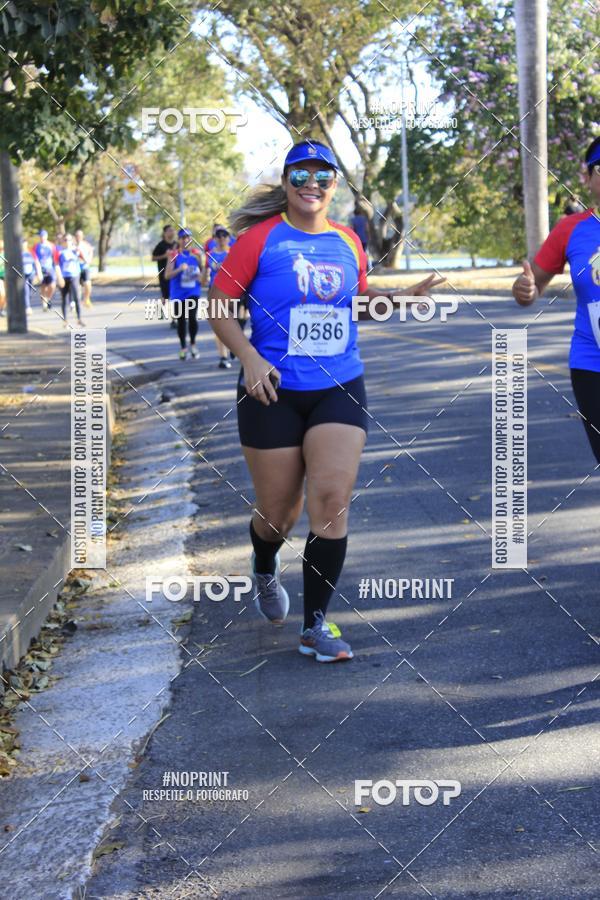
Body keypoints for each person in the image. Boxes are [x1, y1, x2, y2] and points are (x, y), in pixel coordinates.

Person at [207, 139, 444, 662]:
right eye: (300, 175)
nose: (311, 184)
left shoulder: (347, 243)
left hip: (339, 385)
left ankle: (316, 624)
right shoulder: (258, 241)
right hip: (271, 390)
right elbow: (219, 306)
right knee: (277, 515)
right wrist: (246, 356)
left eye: (323, 176)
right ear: (286, 182)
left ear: (336, 184)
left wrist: (401, 300)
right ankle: (264, 566)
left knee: (332, 500)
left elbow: (355, 307)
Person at [512, 135, 600, 464]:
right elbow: (531, 284)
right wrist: (525, 289)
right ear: (587, 178)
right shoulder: (571, 229)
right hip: (592, 364)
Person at [165, 228, 203, 360]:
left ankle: (193, 344)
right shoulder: (174, 255)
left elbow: (202, 273)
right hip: (178, 293)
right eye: (183, 237)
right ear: (179, 240)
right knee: (181, 321)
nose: (186, 240)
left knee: (192, 318)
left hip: (193, 291)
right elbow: (167, 275)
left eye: (188, 237)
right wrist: (179, 269)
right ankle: (183, 347)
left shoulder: (196, 254)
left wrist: (201, 275)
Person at [204, 227, 234, 369]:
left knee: (234, 324)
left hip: (233, 292)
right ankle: (223, 356)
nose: (221, 238)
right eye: (218, 235)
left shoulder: (234, 253)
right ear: (214, 238)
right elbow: (204, 276)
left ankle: (233, 347)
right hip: (215, 292)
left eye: (224, 235)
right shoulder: (210, 255)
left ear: (229, 238)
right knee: (219, 326)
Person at [55, 233, 84, 326]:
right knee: (64, 298)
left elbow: (85, 260)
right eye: (65, 240)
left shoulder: (75, 251)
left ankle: (79, 319)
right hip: (64, 277)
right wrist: (59, 277)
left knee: (77, 298)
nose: (67, 242)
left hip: (74, 276)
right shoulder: (59, 252)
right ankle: (65, 320)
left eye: (69, 240)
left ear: (72, 241)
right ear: (62, 242)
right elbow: (56, 265)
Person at [151, 224, 177, 323]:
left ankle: (174, 319)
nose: (172, 232)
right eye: (169, 230)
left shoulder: (176, 244)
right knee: (165, 295)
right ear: (165, 233)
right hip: (163, 273)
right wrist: (164, 256)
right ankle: (162, 309)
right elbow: (153, 258)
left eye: (173, 230)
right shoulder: (161, 245)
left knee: (174, 296)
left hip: (174, 274)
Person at [33, 229, 57, 310]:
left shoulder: (51, 246)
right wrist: (38, 271)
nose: (42, 238)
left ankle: (48, 298)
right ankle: (44, 304)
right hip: (41, 268)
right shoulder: (36, 246)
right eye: (41, 236)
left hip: (50, 268)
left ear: (46, 236)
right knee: (43, 286)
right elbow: (35, 258)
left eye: (43, 236)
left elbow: (55, 258)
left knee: (52, 285)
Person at [22, 240, 42, 314]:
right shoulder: (18, 253)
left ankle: (27, 302)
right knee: (26, 290)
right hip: (23, 275)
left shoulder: (31, 252)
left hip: (31, 274)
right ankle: (27, 307)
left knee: (30, 291)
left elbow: (37, 262)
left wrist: (39, 273)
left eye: (24, 244)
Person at [75, 229, 94, 308]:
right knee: (77, 287)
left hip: (85, 266)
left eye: (80, 236)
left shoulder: (86, 245)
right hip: (75, 268)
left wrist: (89, 259)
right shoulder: (72, 245)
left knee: (88, 284)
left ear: (82, 236)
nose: (78, 237)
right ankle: (76, 303)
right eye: (77, 236)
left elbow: (91, 253)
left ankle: (86, 299)